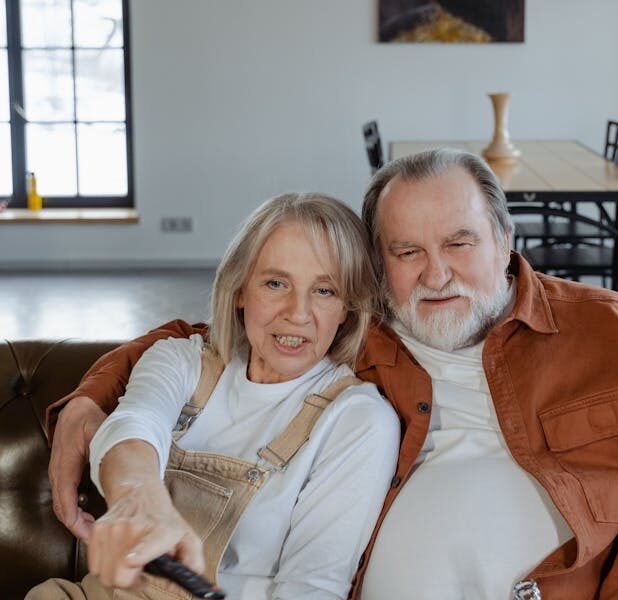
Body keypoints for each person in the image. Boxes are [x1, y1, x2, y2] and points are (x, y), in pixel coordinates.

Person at [46, 149, 618, 600]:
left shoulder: (616, 333)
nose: (435, 272)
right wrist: (88, 399)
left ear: (506, 242)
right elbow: (207, 338)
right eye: (407, 250)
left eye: (459, 242)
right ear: (377, 269)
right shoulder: (361, 332)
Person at [30, 193, 399, 600]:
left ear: (348, 307)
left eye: (325, 290)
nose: (298, 312)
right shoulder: (182, 359)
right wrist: (138, 496)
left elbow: (313, 587)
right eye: (276, 283)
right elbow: (135, 424)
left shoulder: (358, 418)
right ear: (239, 289)